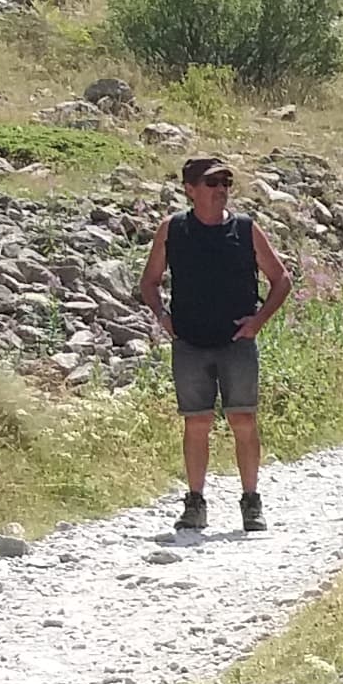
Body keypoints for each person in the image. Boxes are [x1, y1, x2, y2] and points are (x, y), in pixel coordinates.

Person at [133, 156, 292, 532]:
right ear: (190, 190)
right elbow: (149, 282)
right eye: (212, 182)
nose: (221, 189)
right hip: (189, 343)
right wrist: (163, 317)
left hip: (236, 344)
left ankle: (251, 501)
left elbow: (281, 279)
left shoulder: (245, 229)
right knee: (197, 422)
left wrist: (257, 322)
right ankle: (195, 502)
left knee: (243, 419)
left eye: (226, 182)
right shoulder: (172, 229)